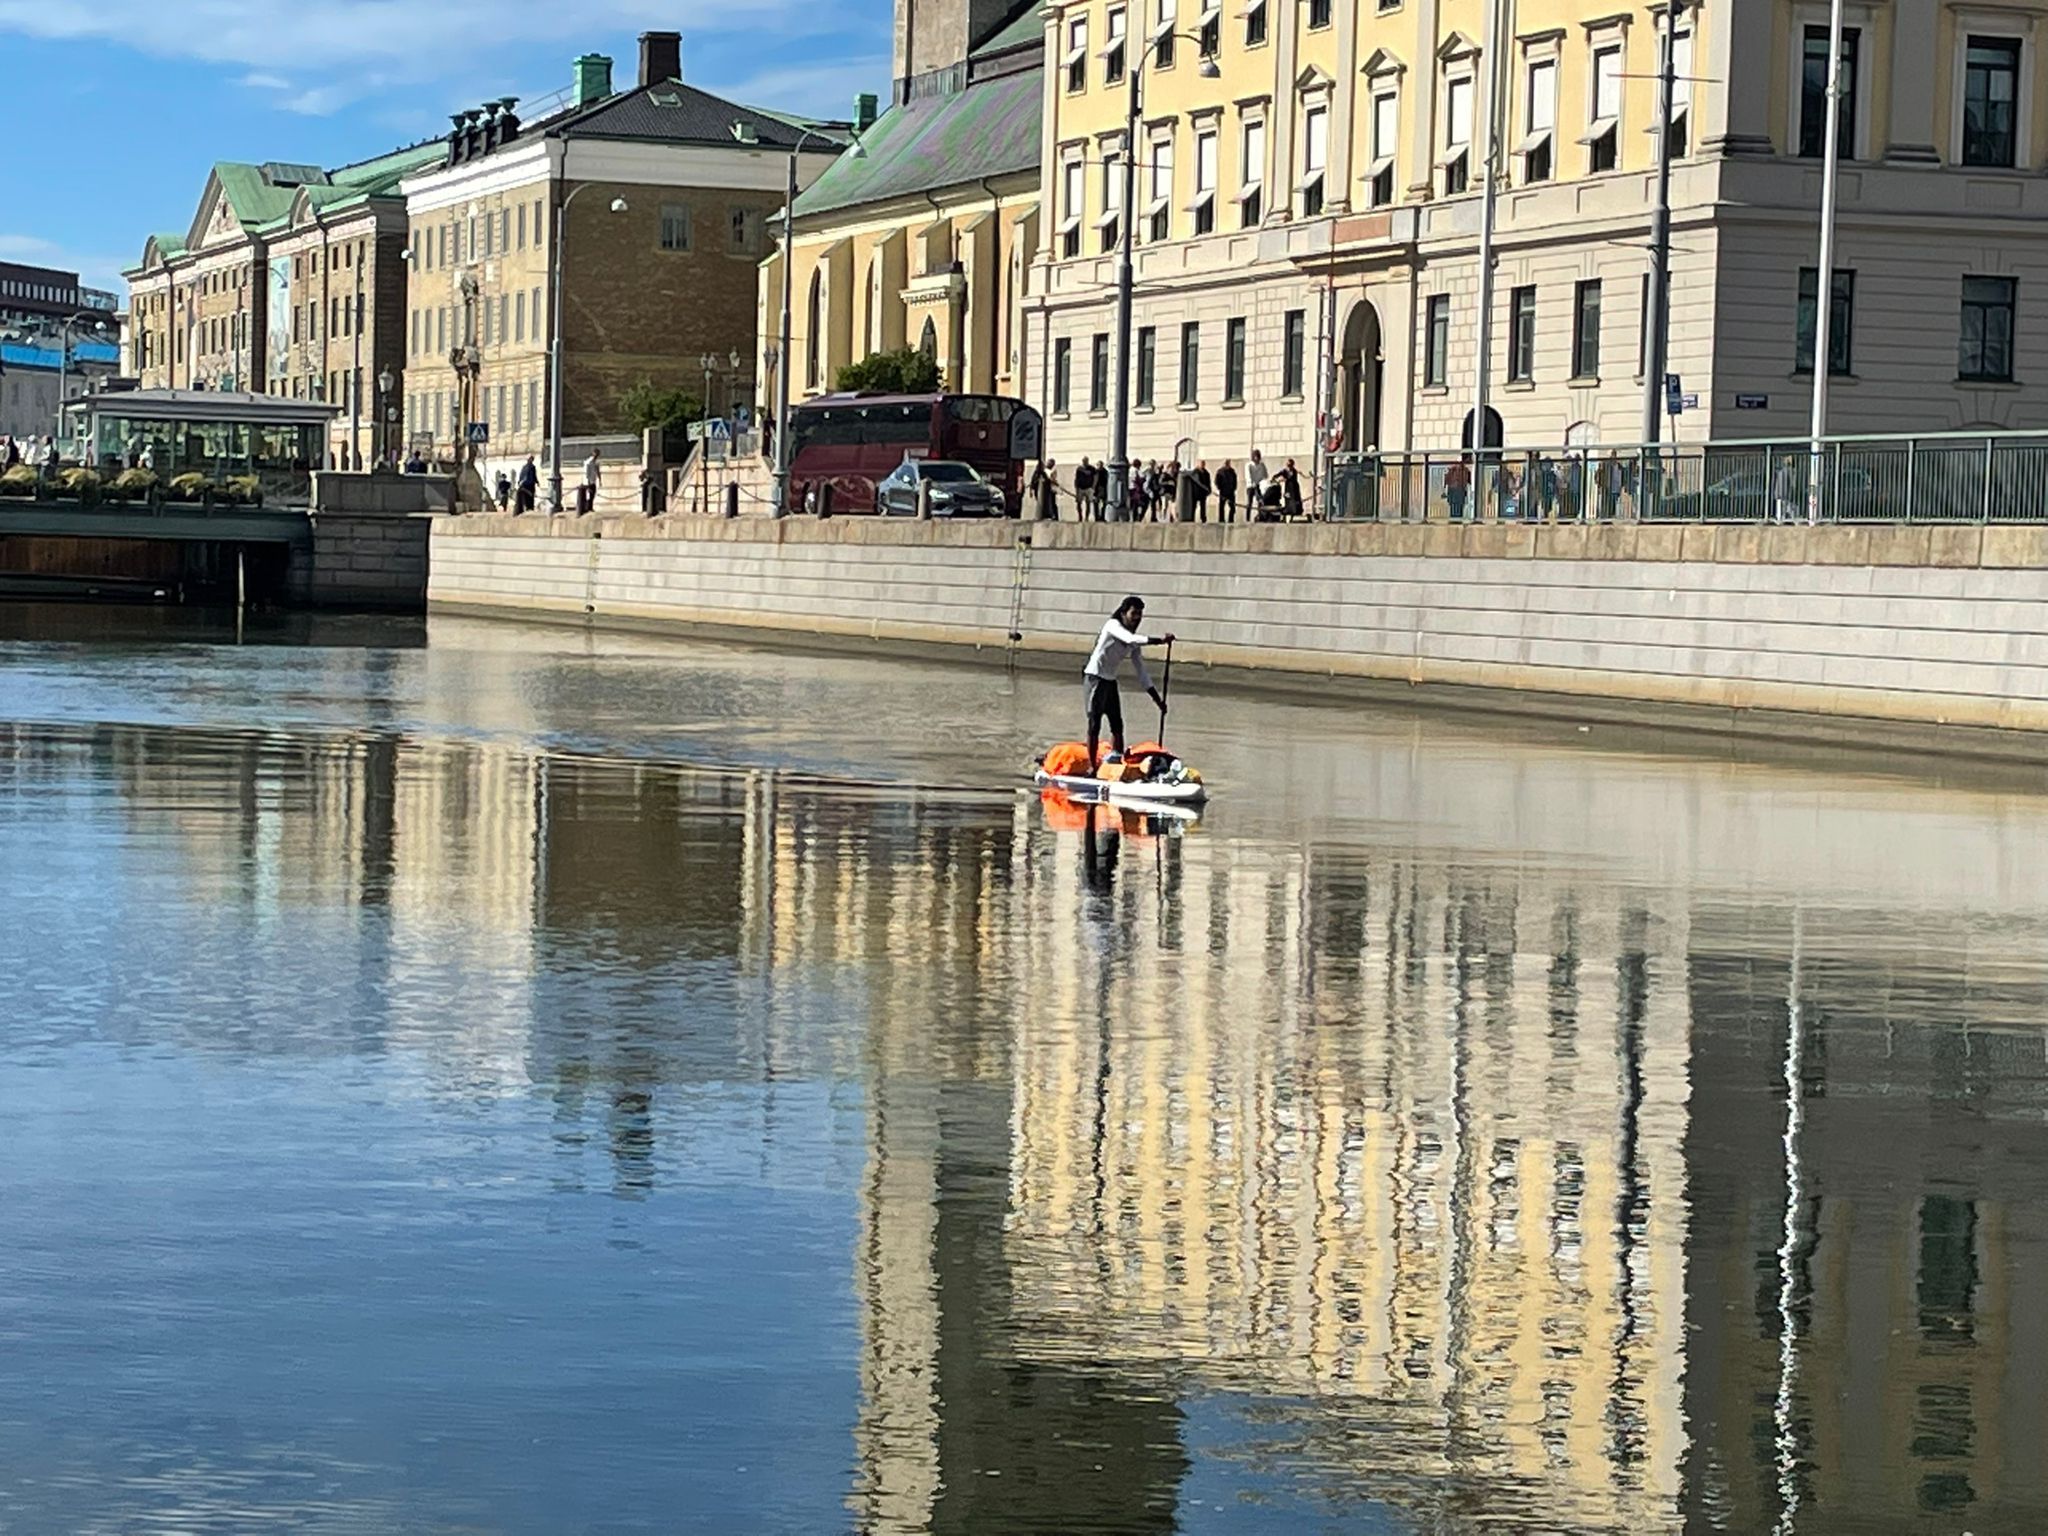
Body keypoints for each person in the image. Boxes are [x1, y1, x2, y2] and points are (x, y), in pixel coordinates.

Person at [1084, 595, 1174, 767]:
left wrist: (1158, 701)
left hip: (1110, 681)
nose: (1137, 618)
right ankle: (1092, 767)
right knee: (1094, 724)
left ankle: (1116, 762)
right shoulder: (1113, 626)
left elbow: (1142, 673)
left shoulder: (1134, 642)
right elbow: (1130, 638)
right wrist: (1160, 641)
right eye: (1134, 614)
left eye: (1140, 615)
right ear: (1124, 613)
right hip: (1095, 677)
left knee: (1117, 725)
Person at [1773, 454, 1801, 524]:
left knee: (1785, 507)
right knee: (1787, 507)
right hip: (1784, 492)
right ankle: (1789, 520)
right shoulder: (1788, 471)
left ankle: (1781, 520)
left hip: (1782, 492)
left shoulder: (1783, 471)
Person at [1443, 457, 1472, 522]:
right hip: (1460, 488)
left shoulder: (1451, 469)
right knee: (1460, 505)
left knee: (1453, 505)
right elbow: (1468, 481)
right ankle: (1458, 519)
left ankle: (1453, 518)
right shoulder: (1465, 469)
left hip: (1453, 489)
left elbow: (1446, 479)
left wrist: (1445, 487)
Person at [579, 446, 602, 515]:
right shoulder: (588, 462)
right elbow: (586, 473)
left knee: (593, 494)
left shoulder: (596, 462)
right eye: (596, 454)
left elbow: (598, 471)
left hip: (593, 480)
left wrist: (600, 480)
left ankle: (590, 507)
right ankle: (587, 507)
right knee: (588, 494)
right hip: (588, 481)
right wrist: (588, 482)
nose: (597, 456)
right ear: (593, 454)